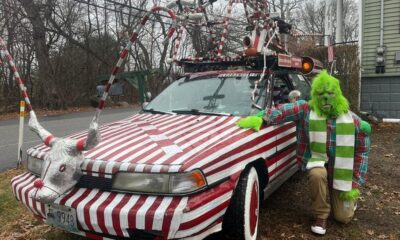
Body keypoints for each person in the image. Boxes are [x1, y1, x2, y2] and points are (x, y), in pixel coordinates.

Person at [237, 70, 371, 235]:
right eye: (321, 94)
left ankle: (350, 201)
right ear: (315, 95)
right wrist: (262, 118)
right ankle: (320, 215)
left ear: (337, 95)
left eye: (330, 94)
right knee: (317, 173)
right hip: (318, 161)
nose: (326, 98)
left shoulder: (353, 121)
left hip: (341, 169)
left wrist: (355, 183)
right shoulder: (307, 109)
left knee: (344, 218)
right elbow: (284, 110)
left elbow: (362, 153)